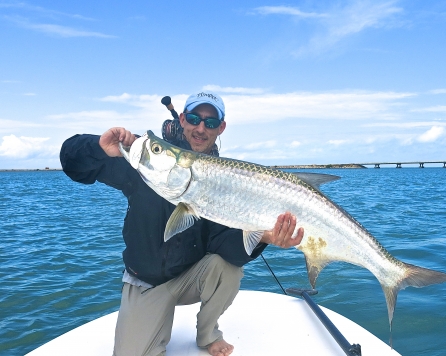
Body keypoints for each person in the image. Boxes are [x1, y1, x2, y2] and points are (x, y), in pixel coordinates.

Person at [60, 91, 304, 356]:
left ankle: (208, 334)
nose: (201, 128)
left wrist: (264, 237)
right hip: (146, 282)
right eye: (194, 118)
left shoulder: (222, 178)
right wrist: (98, 147)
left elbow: (224, 247)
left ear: (221, 128)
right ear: (183, 119)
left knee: (229, 269)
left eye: (210, 123)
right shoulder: (144, 164)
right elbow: (74, 166)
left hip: (191, 278)